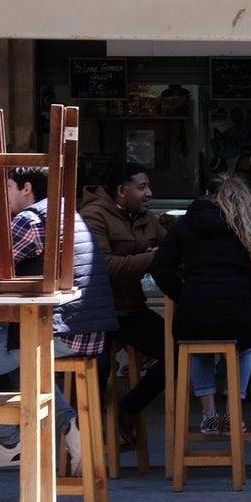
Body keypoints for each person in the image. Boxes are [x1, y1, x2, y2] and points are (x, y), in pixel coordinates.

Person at [0, 166, 118, 474]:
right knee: (15, 365)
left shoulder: (30, 219)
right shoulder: (68, 214)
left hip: (59, 331)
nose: (4, 196)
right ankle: (71, 430)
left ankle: (10, 442)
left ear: (27, 188)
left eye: (9, 187)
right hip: (85, 329)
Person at [151, 174, 251, 434]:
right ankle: (231, 415)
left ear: (207, 193)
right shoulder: (249, 223)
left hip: (193, 315)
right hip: (238, 313)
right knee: (245, 347)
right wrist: (250, 297)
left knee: (196, 345)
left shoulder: (186, 223)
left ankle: (209, 415)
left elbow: (161, 268)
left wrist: (183, 296)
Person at [80, 162, 168, 448]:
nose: (149, 193)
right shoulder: (93, 216)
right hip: (98, 313)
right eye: (141, 187)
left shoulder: (146, 218)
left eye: (148, 187)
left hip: (132, 309)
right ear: (121, 190)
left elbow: (169, 249)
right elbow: (103, 266)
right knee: (98, 367)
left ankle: (128, 409)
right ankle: (85, 435)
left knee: (177, 351)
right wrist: (151, 258)